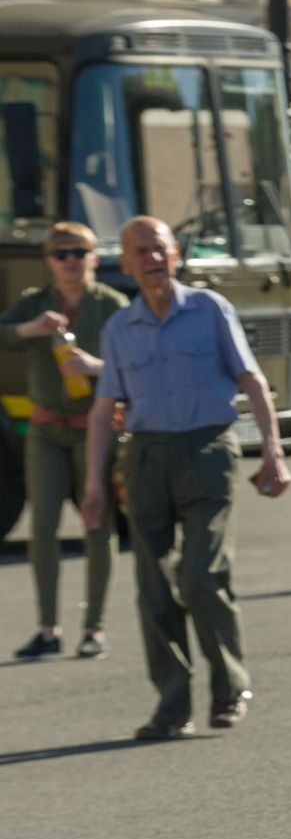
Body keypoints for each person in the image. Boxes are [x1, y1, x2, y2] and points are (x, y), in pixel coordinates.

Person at [81, 217, 291, 738]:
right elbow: (104, 406)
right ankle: (172, 707)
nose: (151, 258)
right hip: (147, 459)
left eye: (159, 248)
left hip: (206, 452)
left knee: (200, 576)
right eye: (140, 251)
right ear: (125, 262)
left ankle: (229, 688)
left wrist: (273, 452)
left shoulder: (208, 309)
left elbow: (252, 379)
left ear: (175, 255)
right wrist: (92, 485)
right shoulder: (118, 328)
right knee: (152, 588)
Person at [2, 222, 128, 661]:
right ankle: (47, 628)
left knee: (97, 523)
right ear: (49, 261)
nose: (70, 261)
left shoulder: (112, 306)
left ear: (95, 257)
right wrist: (29, 329)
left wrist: (96, 366)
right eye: (61, 254)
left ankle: (94, 627)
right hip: (45, 430)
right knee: (42, 527)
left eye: (79, 252)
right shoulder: (35, 304)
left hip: (93, 429)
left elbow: (136, 361)